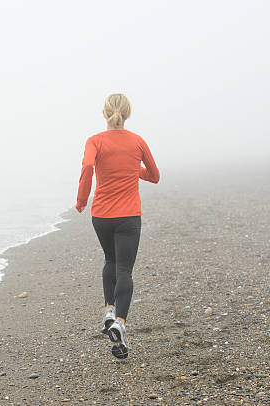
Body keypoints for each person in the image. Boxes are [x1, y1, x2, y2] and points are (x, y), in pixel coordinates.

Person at [75, 93, 160, 359]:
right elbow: (155, 176)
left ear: (104, 114)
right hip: (128, 216)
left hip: (101, 215)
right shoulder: (137, 141)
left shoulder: (95, 141)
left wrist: (81, 199)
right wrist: (133, 169)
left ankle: (109, 310)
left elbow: (88, 165)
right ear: (128, 114)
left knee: (109, 259)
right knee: (124, 269)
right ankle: (120, 324)